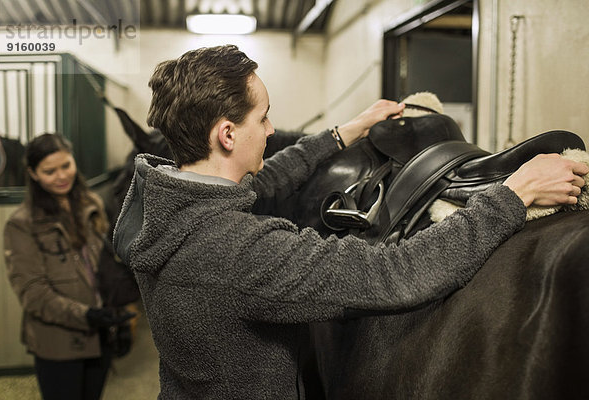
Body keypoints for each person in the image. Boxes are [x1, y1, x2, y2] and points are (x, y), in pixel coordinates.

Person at [112, 45, 588, 399]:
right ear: (228, 133)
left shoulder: (160, 205)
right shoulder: (240, 251)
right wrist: (514, 195)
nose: (273, 130)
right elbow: (393, 275)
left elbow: (270, 178)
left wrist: (344, 133)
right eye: (264, 117)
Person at [3, 133, 134, 400]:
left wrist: (118, 319)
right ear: (33, 173)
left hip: (101, 334)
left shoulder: (92, 205)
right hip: (58, 343)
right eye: (49, 171)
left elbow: (107, 269)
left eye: (66, 165)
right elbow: (33, 292)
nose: (62, 176)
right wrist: (85, 315)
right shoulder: (21, 224)